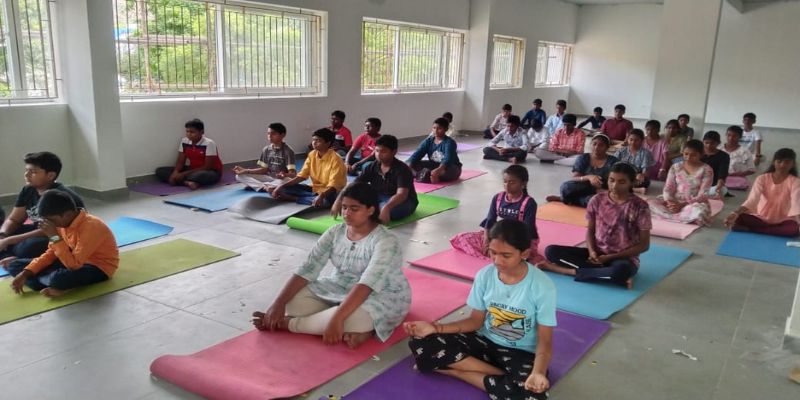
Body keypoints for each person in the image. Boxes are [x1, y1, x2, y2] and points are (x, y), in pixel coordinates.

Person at [405, 219, 555, 400]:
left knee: (532, 396)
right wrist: (435, 328)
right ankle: (502, 377)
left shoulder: (542, 286)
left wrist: (538, 372)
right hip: (483, 341)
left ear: (524, 253)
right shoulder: (485, 275)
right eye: (493, 253)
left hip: (520, 353)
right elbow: (475, 321)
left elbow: (545, 341)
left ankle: (454, 371)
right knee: (421, 340)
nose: (497, 261)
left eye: (506, 255)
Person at [251, 183, 411, 349]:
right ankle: (342, 325)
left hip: (381, 294)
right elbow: (308, 267)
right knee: (292, 303)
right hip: (339, 286)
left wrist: (337, 318)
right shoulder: (335, 232)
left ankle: (287, 324)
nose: (346, 213)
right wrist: (279, 303)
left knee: (352, 319)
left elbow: (367, 284)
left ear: (370, 210)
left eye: (354, 209)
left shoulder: (385, 241)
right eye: (344, 207)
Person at [539, 163, 651, 289]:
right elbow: (590, 230)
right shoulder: (597, 200)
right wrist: (592, 252)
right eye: (611, 180)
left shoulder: (640, 206)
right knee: (551, 251)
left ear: (632, 183)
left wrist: (609, 257)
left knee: (621, 270)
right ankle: (605, 274)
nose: (615, 186)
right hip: (597, 254)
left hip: (623, 259)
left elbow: (644, 245)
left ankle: (566, 271)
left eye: (622, 182)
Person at [6, 190, 118, 298]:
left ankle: (51, 283)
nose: (49, 224)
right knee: (15, 266)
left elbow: (74, 265)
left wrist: (54, 237)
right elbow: (51, 253)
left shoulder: (91, 226)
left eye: (51, 220)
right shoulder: (62, 224)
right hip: (69, 259)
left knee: (58, 279)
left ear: (68, 215)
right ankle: (50, 282)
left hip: (97, 267)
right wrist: (26, 273)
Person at [0, 152, 85, 264]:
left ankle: (17, 259)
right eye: (26, 170)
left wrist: (9, 241)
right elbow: (14, 220)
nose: (26, 175)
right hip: (38, 230)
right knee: (6, 232)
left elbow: (49, 230)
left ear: (50, 175)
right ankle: (12, 258)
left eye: (33, 172)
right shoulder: (28, 190)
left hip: (59, 236)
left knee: (27, 247)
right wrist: (3, 235)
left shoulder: (58, 196)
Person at [450, 164, 541, 262]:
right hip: (499, 234)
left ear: (523, 184)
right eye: (505, 182)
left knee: (520, 254)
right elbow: (490, 220)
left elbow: (528, 230)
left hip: (519, 238)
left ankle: (499, 256)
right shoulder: (498, 198)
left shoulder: (529, 203)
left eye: (512, 182)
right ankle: (498, 256)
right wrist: (487, 241)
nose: (507, 185)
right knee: (461, 238)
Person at [332, 135, 418, 223]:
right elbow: (354, 185)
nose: (379, 155)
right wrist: (338, 200)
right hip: (379, 197)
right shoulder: (372, 166)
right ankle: (374, 210)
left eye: (383, 151)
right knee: (354, 197)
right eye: (376, 151)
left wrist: (387, 207)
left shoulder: (402, 169)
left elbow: (402, 194)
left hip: (403, 201)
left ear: (394, 152)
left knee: (391, 211)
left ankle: (375, 210)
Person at [724, 148, 799, 237]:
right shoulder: (762, 178)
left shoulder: (796, 182)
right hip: (760, 217)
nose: (782, 165)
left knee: (793, 229)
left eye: (787, 162)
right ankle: (771, 230)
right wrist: (735, 213)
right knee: (738, 219)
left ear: (792, 164)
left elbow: (796, 204)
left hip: (784, 219)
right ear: (773, 162)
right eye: (779, 161)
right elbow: (752, 199)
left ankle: (752, 230)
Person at [271, 128, 346, 208]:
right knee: (283, 188)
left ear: (328, 143)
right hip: (315, 189)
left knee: (326, 202)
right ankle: (308, 198)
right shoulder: (312, 155)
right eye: (313, 140)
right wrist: (282, 186)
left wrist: (321, 196)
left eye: (318, 140)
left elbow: (334, 186)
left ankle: (293, 198)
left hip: (330, 193)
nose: (314, 143)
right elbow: (302, 176)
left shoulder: (336, 159)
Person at [648, 140, 714, 225]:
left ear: (701, 155)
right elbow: (668, 188)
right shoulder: (675, 167)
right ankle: (680, 216)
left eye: (693, 155)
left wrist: (681, 205)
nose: (688, 157)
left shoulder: (707, 170)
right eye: (686, 154)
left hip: (692, 203)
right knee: (649, 203)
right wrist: (670, 203)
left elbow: (703, 194)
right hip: (673, 201)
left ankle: (672, 215)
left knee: (699, 212)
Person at [546, 134, 618, 207]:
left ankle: (566, 199)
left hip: (603, 190)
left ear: (607, 148)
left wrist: (605, 190)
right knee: (565, 187)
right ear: (591, 144)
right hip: (583, 187)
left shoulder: (613, 161)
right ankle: (571, 198)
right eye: (594, 144)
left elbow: (615, 181)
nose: (596, 147)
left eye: (601, 145)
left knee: (595, 200)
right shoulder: (583, 158)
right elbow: (574, 178)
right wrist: (589, 177)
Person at [155, 118, 223, 190]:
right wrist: (175, 173)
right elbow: (180, 162)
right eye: (187, 131)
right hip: (192, 169)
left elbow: (207, 167)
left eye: (192, 132)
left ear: (201, 132)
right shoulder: (184, 141)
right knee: (160, 171)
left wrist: (183, 174)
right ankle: (187, 183)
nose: (189, 134)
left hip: (211, 172)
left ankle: (183, 180)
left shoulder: (209, 143)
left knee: (199, 176)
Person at [232, 122, 296, 191]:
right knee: (239, 176)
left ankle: (260, 186)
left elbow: (293, 174)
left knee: (287, 180)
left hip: (281, 180)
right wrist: (245, 171)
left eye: (273, 134)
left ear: (282, 135)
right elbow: (264, 170)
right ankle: (265, 187)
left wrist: (284, 175)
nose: (270, 136)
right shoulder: (266, 150)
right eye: (268, 133)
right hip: (269, 178)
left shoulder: (288, 151)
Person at [406, 117, 462, 183]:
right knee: (410, 164)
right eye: (434, 128)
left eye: (439, 128)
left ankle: (427, 176)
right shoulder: (428, 141)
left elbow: (447, 159)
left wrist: (438, 170)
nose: (436, 131)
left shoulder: (449, 142)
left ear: (446, 129)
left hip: (450, 167)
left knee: (447, 171)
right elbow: (416, 154)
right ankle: (422, 175)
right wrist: (409, 165)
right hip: (433, 165)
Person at [700, 131, 730, 199]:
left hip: (713, 185)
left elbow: (722, 172)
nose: (709, 145)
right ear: (703, 142)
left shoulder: (724, 156)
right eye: (706, 143)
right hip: (696, 182)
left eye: (712, 143)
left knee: (722, 190)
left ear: (718, 143)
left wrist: (719, 186)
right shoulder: (698, 153)